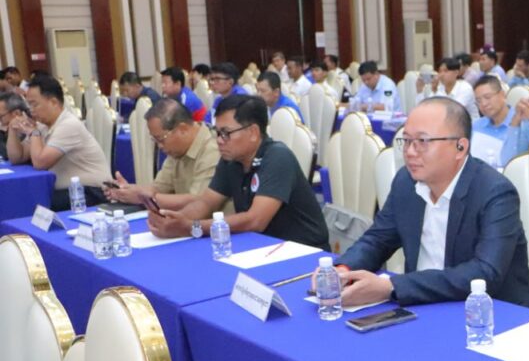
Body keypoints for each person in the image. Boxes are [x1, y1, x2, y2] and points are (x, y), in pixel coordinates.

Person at [325, 97, 529, 308]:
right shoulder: (405, 182)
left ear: (460, 147)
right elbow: (378, 239)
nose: (410, 151)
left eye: (423, 141)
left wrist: (392, 287)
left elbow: (485, 272)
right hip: (421, 303)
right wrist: (342, 270)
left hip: (491, 311)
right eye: (406, 140)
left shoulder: (494, 192)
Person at [147, 94, 330, 249]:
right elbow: (206, 202)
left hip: (302, 251)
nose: (219, 140)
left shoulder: (277, 157)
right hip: (259, 246)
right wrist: (175, 220)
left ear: (253, 132)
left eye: (226, 133)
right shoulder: (231, 159)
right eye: (217, 132)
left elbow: (255, 221)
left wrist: (191, 227)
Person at [7, 75, 112, 209]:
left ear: (54, 102)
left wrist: (34, 133)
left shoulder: (68, 125)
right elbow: (17, 158)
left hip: (91, 192)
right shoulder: (43, 125)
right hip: (69, 191)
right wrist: (12, 129)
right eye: (29, 105)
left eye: (35, 104)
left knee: (31, 204)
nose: (31, 110)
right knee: (23, 199)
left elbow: (40, 163)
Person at [104, 97, 224, 211]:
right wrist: (127, 191)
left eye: (161, 139)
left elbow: (199, 202)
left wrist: (142, 198)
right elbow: (158, 189)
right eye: (155, 141)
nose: (159, 146)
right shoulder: (177, 150)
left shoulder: (212, 150)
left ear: (183, 129)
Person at [470, 75, 514, 166]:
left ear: (502, 94)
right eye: (478, 101)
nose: (483, 104)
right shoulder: (475, 127)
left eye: (487, 97)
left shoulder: (522, 123)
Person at [0, 91, 30, 157]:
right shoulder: (4, 131)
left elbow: (9, 154)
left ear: (17, 113)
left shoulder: (33, 129)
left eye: (1, 116)